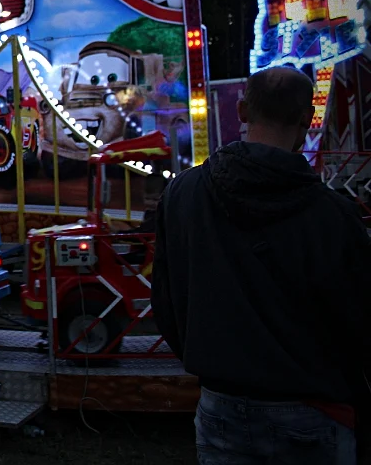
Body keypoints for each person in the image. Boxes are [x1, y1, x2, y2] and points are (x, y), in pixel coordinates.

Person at [152, 66, 371, 464]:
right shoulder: (334, 215)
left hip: (220, 404)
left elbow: (166, 299)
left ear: (241, 110)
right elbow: (357, 321)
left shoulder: (184, 193)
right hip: (314, 410)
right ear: (307, 119)